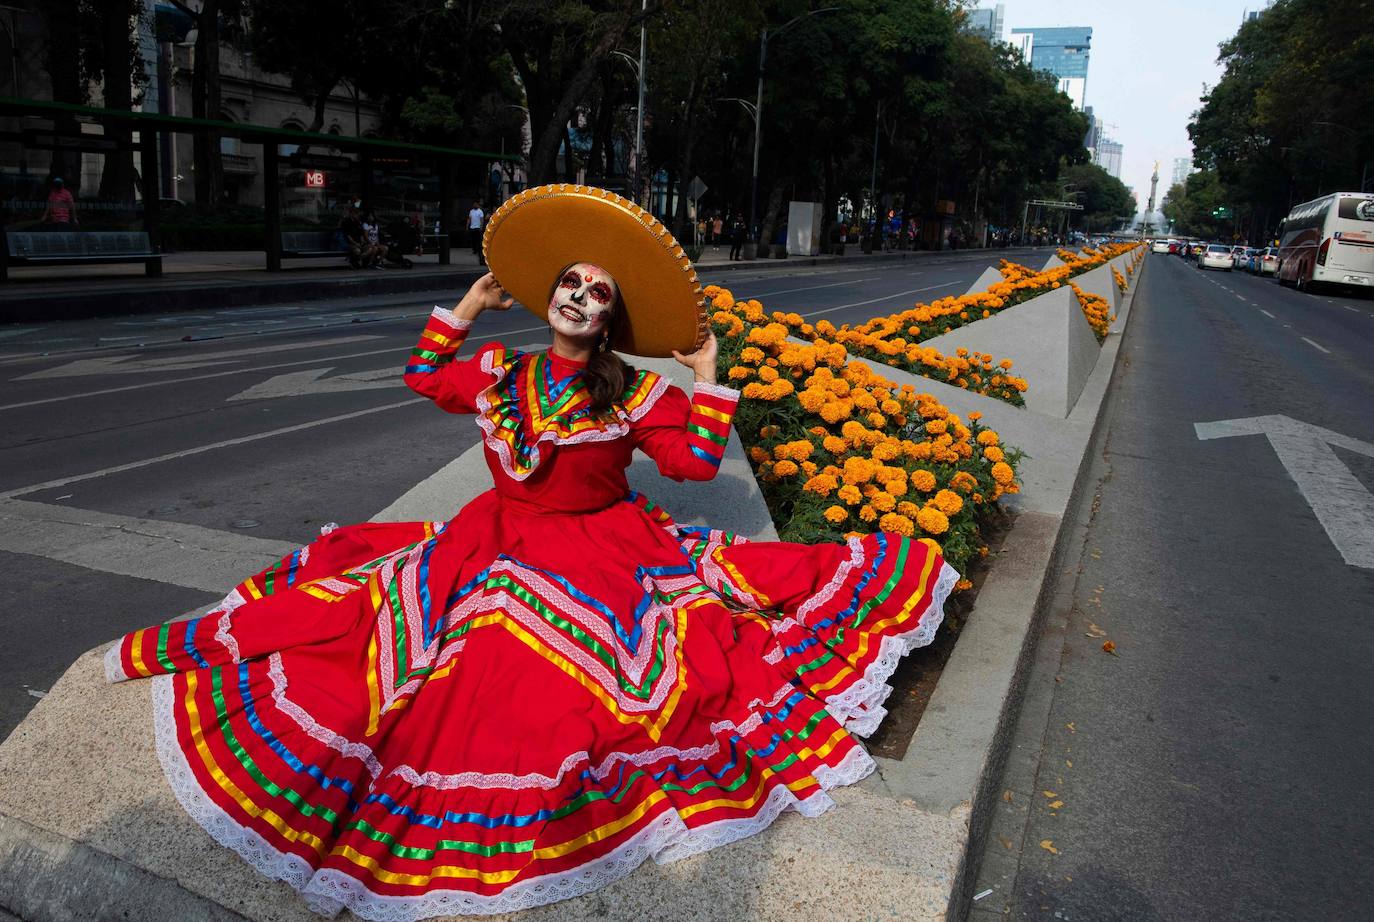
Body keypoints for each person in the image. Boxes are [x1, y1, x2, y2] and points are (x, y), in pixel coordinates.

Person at [105, 184, 956, 919]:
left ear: (614, 317)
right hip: (491, 536)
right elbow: (423, 379)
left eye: (598, 292)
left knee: (567, 689)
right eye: (571, 284)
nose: (581, 297)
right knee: (384, 647)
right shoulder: (501, 376)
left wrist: (708, 377)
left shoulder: (641, 391)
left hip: (603, 551)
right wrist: (468, 307)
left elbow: (692, 466)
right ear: (551, 296)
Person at [467, 199, 485, 265]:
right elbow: (469, 219)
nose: (475, 205)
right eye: (474, 204)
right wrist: (467, 225)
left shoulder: (480, 211)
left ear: (478, 205)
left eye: (476, 204)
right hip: (472, 227)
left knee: (478, 240)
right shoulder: (471, 211)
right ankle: (474, 250)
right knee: (473, 240)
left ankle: (477, 250)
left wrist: (481, 227)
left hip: (477, 228)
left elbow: (482, 219)